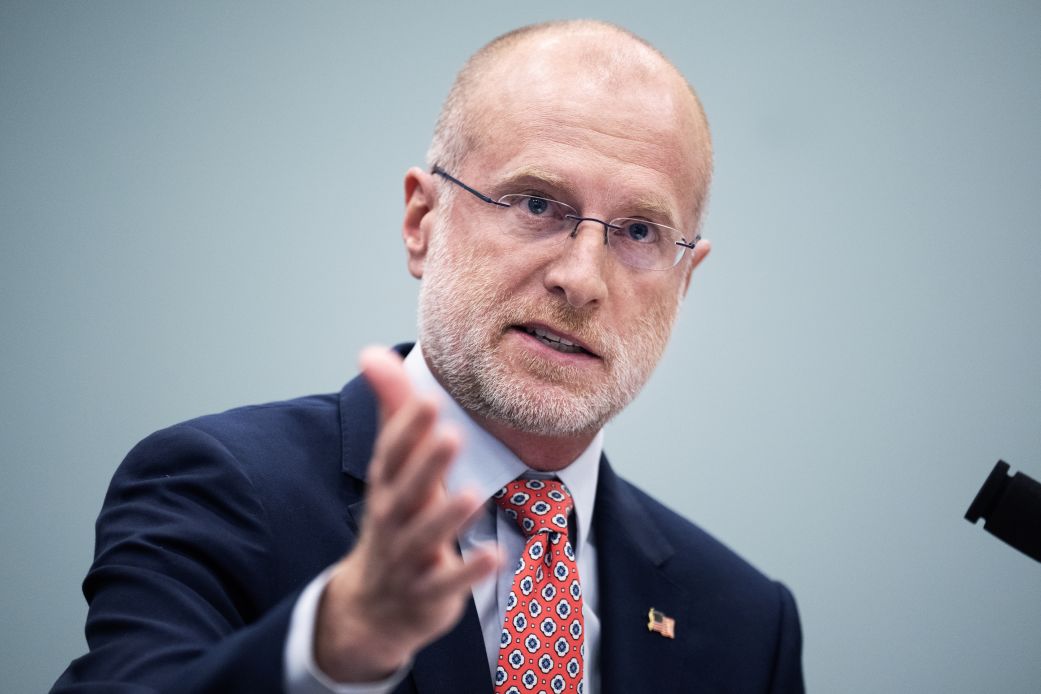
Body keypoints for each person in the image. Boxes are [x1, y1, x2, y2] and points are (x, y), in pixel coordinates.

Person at [52, 19, 804, 694]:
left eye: (639, 232)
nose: (580, 279)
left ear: (684, 280)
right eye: (537, 204)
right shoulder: (217, 486)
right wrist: (337, 648)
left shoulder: (744, 621)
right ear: (421, 221)